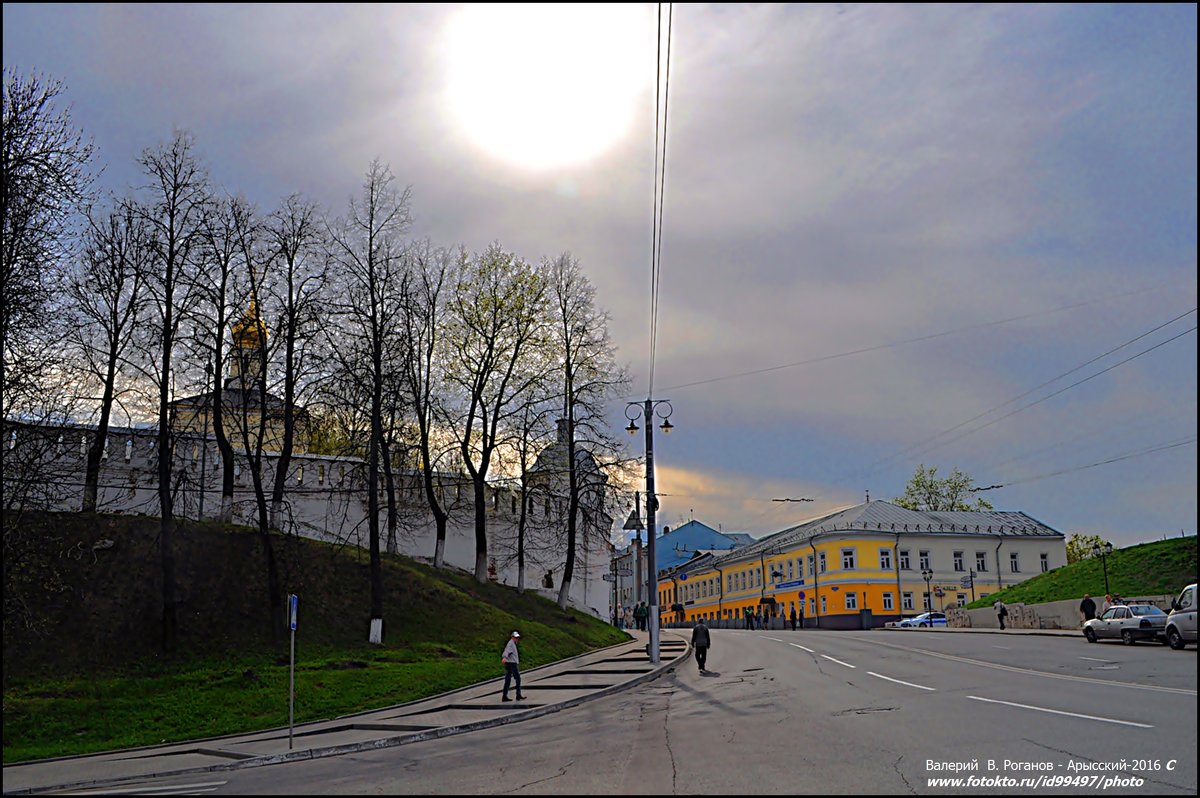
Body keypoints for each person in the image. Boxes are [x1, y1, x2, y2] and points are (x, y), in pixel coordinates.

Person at [500, 630, 524, 702]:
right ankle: (518, 694)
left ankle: (505, 695)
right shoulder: (511, 644)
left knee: (508, 679)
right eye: (515, 637)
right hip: (511, 663)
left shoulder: (513, 643)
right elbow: (507, 651)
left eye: (517, 638)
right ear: (512, 637)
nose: (517, 639)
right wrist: (504, 657)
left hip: (510, 663)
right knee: (517, 678)